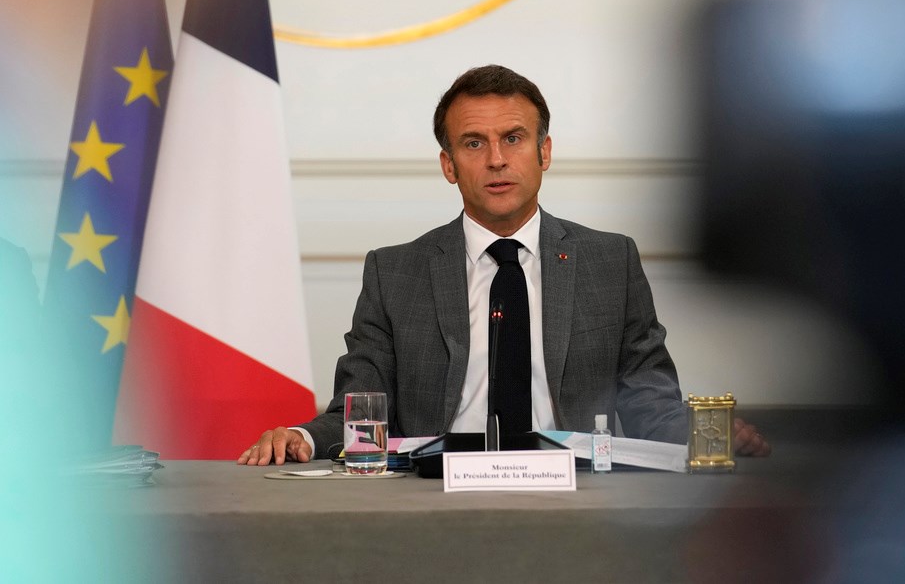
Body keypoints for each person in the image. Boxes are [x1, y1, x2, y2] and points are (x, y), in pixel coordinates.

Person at [239, 65, 770, 465]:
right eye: (474, 143)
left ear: (544, 152)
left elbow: (650, 402)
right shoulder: (394, 272)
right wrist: (302, 437)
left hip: (580, 499)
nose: (496, 159)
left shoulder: (611, 262)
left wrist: (706, 435)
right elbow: (359, 412)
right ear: (449, 165)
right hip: (431, 502)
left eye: (513, 138)